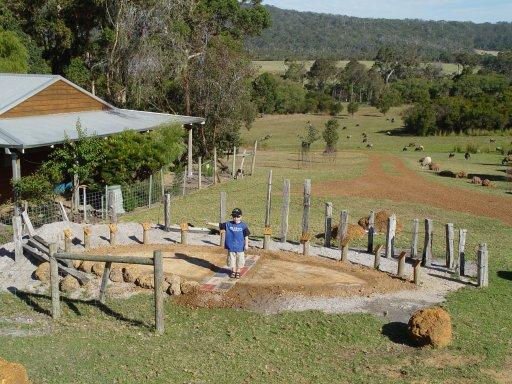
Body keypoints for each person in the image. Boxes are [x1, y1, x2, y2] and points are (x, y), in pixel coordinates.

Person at [220, 208, 250, 278]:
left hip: (240, 247)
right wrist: (209, 223)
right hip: (231, 247)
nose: (236, 218)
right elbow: (220, 225)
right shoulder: (228, 224)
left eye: (237, 216)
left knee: (240, 260)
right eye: (234, 217)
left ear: (241, 216)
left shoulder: (243, 225)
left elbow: (246, 236)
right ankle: (233, 271)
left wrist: (246, 245)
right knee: (232, 260)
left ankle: (238, 271)